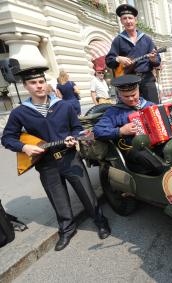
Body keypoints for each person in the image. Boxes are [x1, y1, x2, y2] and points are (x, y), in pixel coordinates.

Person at [1, 66, 110, 251]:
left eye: (41, 82)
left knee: (86, 192)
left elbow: (77, 128)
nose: (39, 86)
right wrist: (24, 146)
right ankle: (67, 229)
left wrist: (74, 138)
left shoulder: (63, 105)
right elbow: (7, 138)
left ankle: (100, 221)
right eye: (33, 83)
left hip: (69, 157)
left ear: (46, 83)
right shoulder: (20, 113)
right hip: (45, 164)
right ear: (26, 86)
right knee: (57, 198)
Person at [93, 75, 172, 174]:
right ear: (119, 95)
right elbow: (97, 131)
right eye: (126, 96)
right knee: (143, 155)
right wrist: (120, 131)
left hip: (158, 144)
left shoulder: (150, 105)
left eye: (133, 95)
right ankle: (168, 174)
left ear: (138, 91)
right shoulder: (113, 112)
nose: (131, 99)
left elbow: (167, 124)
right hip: (133, 149)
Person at [105, 4, 161, 104]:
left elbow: (157, 61)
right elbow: (109, 60)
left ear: (135, 20)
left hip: (147, 80)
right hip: (128, 82)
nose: (128, 21)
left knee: (153, 109)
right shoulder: (118, 40)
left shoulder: (146, 39)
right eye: (124, 18)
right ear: (121, 21)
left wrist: (153, 59)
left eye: (130, 18)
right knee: (131, 112)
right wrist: (118, 59)